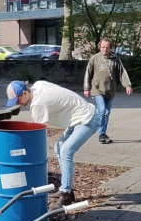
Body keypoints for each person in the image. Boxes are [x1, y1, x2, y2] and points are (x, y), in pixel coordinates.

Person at [6, 79, 100, 209]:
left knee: (66, 151)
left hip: (88, 119)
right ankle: (67, 190)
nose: (18, 104)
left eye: (18, 100)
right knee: (59, 147)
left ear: (24, 93)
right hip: (77, 117)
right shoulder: (38, 85)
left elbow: (36, 134)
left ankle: (65, 194)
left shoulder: (38, 104)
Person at [83, 38, 133, 144]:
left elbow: (122, 73)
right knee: (102, 110)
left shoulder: (115, 59)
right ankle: (101, 134)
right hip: (97, 89)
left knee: (107, 113)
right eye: (103, 47)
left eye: (107, 47)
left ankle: (103, 133)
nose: (105, 49)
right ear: (100, 47)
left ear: (110, 48)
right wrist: (86, 88)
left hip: (110, 89)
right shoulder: (94, 58)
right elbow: (88, 73)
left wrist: (127, 85)